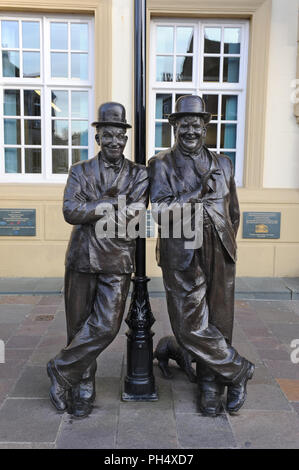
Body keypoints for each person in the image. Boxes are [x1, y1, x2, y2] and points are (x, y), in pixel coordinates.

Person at [148, 95, 254, 416]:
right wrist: (196, 195)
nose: (190, 131)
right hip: (181, 253)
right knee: (188, 325)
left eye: (196, 124)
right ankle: (238, 371)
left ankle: (211, 384)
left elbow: (233, 210)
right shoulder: (161, 164)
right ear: (173, 127)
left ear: (205, 126)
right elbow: (162, 212)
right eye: (184, 125)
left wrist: (224, 241)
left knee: (220, 319)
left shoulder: (223, 164)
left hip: (219, 249)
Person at [47, 102, 148, 419]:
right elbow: (69, 211)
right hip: (80, 259)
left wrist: (94, 208)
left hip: (117, 262)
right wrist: (109, 204)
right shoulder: (79, 170)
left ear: (126, 138)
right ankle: (82, 385)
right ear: (98, 137)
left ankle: (60, 369)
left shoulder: (139, 174)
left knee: (105, 325)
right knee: (78, 327)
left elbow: (136, 215)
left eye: (120, 136)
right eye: (108, 135)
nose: (115, 142)